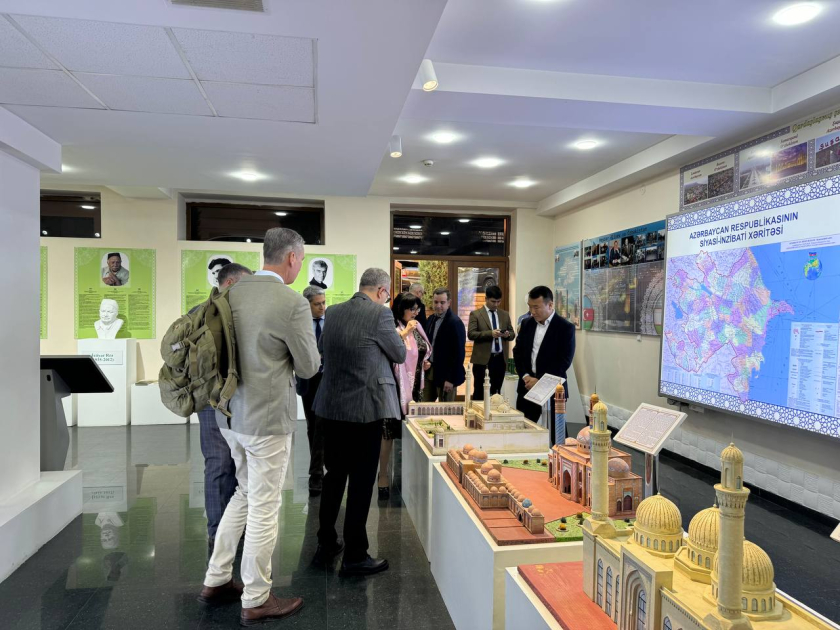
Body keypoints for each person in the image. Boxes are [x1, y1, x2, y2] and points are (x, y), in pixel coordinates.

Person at [200, 228, 320, 625]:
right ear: (291, 258)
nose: (299, 267)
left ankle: (217, 577)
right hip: (267, 420)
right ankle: (256, 597)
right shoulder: (291, 302)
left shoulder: (230, 293)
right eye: (301, 260)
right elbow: (309, 366)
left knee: (244, 493)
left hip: (228, 416)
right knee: (265, 507)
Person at [312, 268, 405, 576]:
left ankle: (326, 542)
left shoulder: (334, 312)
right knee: (362, 481)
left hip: (331, 407)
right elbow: (399, 354)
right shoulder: (381, 314)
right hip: (365, 408)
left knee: (334, 476)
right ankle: (355, 554)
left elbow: (322, 349)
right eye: (387, 295)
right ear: (381, 291)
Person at [193, 262, 252, 555]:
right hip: (220, 398)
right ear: (229, 284)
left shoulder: (197, 312)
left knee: (225, 464)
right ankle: (220, 532)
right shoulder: (223, 314)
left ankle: (224, 530)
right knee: (223, 463)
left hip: (217, 399)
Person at [380, 292, 431, 500]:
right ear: (401, 309)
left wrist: (425, 362)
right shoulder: (391, 326)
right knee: (388, 431)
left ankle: (410, 474)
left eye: (417, 309)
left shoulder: (417, 326)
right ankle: (382, 475)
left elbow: (423, 349)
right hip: (395, 386)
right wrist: (405, 332)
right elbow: (390, 349)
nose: (416, 313)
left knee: (412, 431)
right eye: (412, 309)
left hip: (415, 387)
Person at [513, 286, 576, 445]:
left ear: (550, 305)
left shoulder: (565, 328)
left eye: (536, 307)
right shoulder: (526, 324)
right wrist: (525, 376)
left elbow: (564, 361)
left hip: (553, 389)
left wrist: (540, 380)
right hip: (527, 387)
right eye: (530, 307)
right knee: (523, 434)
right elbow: (518, 352)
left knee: (557, 437)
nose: (532, 311)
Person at [296, 285, 327, 497]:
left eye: (324, 302)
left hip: (328, 379)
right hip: (308, 379)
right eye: (317, 304)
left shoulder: (331, 321)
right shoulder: (298, 323)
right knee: (313, 426)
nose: (322, 307)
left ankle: (317, 472)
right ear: (307, 305)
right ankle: (317, 471)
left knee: (323, 425)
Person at [467, 285, 514, 400]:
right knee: (480, 393)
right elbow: (471, 334)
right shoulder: (476, 314)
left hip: (500, 360)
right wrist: (490, 334)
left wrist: (507, 335)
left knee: (496, 394)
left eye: (498, 301)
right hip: (482, 361)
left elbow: (512, 334)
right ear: (486, 299)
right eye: (493, 301)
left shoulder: (504, 314)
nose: (496, 304)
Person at [422, 288, 466, 402]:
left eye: (442, 302)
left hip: (447, 375)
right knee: (424, 407)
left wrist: (450, 379)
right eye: (436, 302)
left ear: (449, 303)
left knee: (446, 409)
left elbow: (459, 353)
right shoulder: (430, 319)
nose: (438, 306)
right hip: (430, 372)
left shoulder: (455, 322)